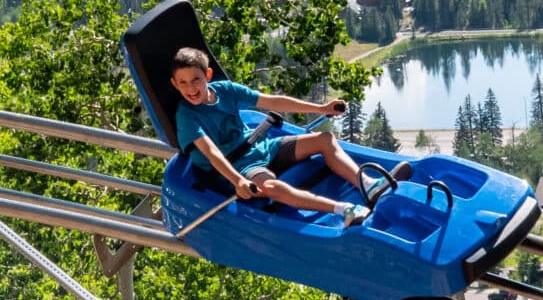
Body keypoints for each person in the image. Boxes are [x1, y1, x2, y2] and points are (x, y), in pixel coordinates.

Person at [169, 46, 396, 226]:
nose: (191, 88)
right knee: (271, 187)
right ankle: (343, 209)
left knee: (324, 140)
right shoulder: (187, 116)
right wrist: (237, 181)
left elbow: (272, 101)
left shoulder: (225, 90)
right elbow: (211, 152)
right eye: (183, 83)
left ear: (207, 75)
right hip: (237, 166)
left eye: (196, 79)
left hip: (260, 147)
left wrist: (321, 108)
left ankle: (368, 185)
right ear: (175, 85)